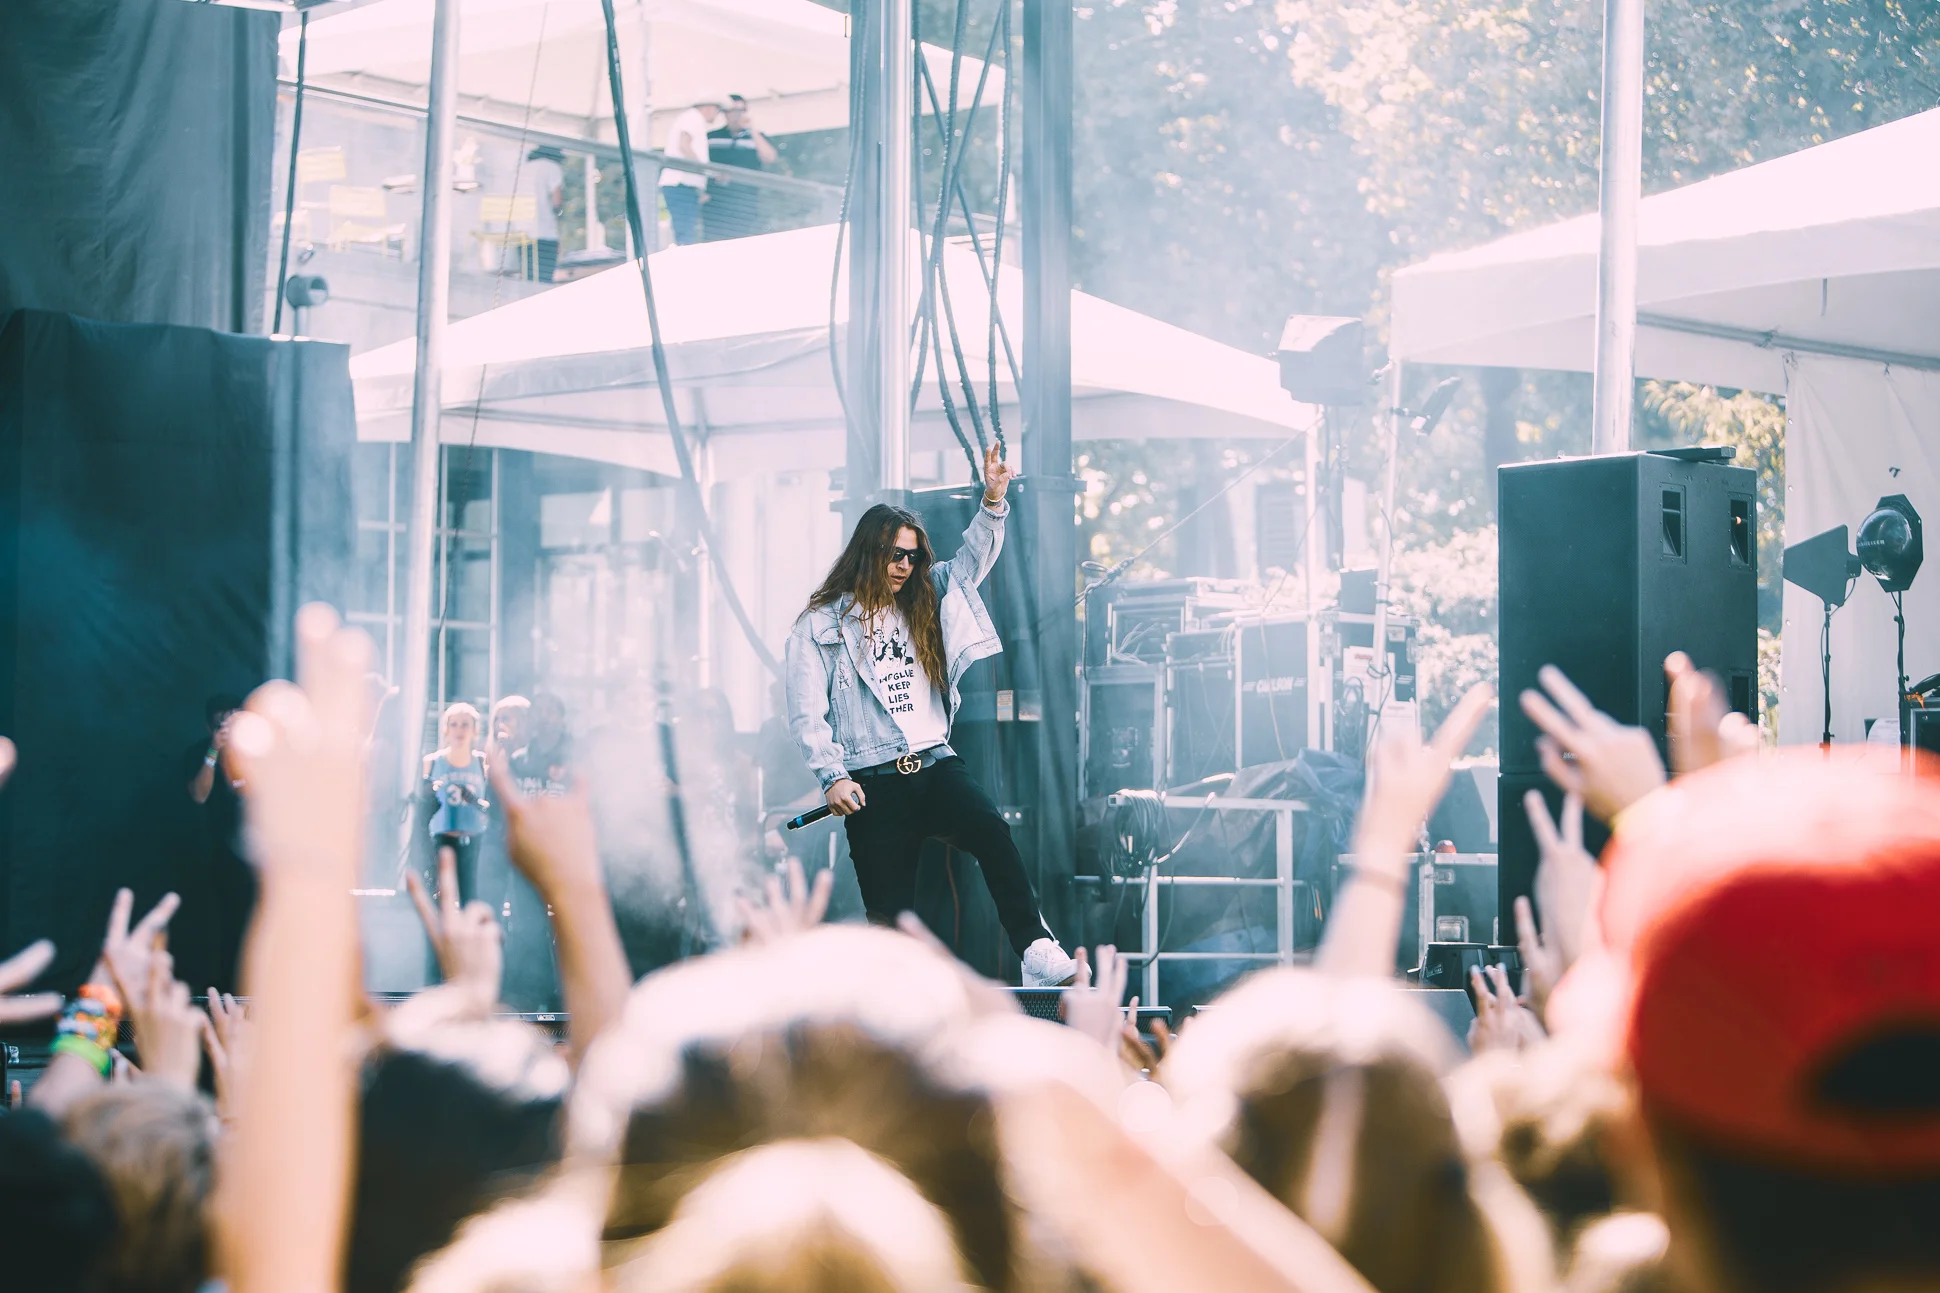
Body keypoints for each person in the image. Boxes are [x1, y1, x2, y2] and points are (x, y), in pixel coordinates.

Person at [784, 444, 1076, 986]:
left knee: (992, 831)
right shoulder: (819, 626)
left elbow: (972, 561)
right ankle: (888, 1013)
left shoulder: (929, 595)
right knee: (889, 915)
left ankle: (1035, 947)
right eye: (895, 555)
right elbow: (806, 712)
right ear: (867, 553)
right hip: (872, 778)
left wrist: (993, 500)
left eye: (913, 556)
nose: (905, 565)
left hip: (935, 762)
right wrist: (832, 775)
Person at [184, 694, 252, 989]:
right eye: (222, 722)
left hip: (256, 861)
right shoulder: (201, 752)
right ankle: (221, 996)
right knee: (219, 932)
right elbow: (199, 795)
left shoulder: (258, 755)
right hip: (216, 860)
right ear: (210, 725)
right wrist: (214, 750)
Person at [424, 702, 490, 902]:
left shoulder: (482, 762)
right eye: (454, 724)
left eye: (465, 724)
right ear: (445, 729)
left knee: (470, 900)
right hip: (442, 840)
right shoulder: (432, 762)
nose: (459, 730)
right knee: (440, 900)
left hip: (474, 841)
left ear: (475, 730)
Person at [702, 94, 778, 241]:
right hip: (715, 205)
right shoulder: (711, 137)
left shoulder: (756, 138)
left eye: (741, 110)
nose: (737, 115)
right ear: (725, 113)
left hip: (746, 202)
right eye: (733, 110)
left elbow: (770, 158)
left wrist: (752, 130)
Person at [658, 101, 720, 246]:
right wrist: (703, 169)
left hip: (684, 184)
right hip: (680, 183)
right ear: (709, 107)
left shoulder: (691, 118)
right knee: (685, 230)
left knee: (686, 228)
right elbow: (684, 145)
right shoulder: (693, 118)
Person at [525, 145, 566, 282]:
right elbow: (557, 199)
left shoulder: (524, 168)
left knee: (528, 275)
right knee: (544, 276)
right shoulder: (552, 167)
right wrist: (558, 212)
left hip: (520, 231)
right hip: (543, 230)